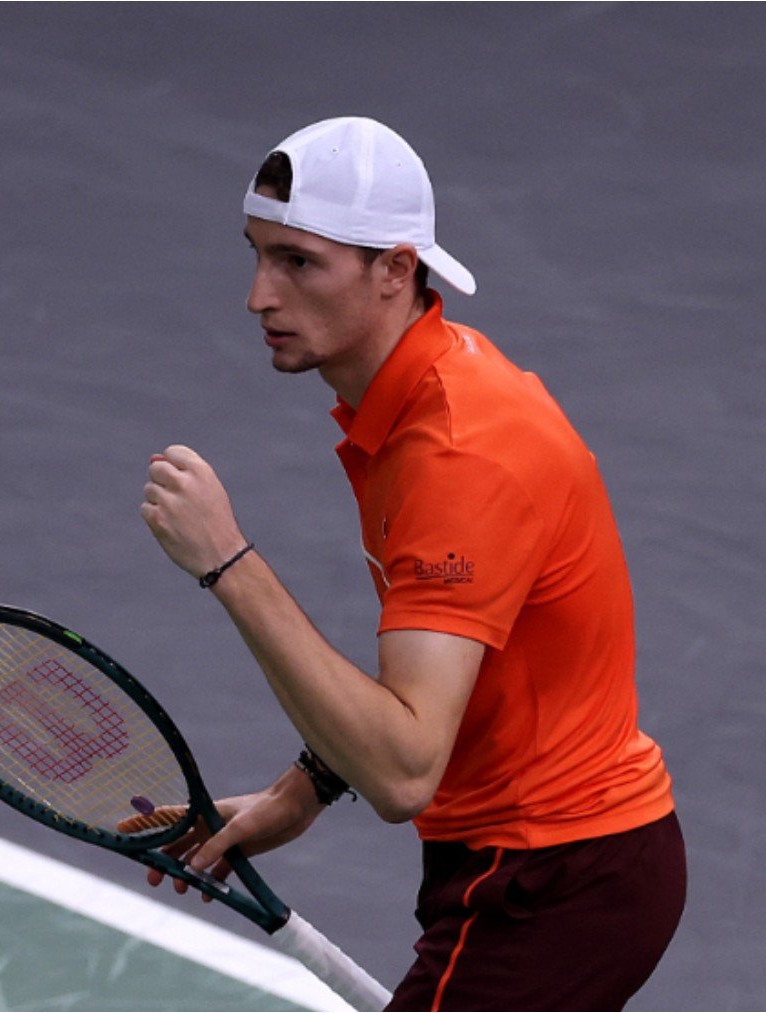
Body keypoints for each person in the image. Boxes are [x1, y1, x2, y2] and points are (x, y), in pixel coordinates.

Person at [126, 116, 684, 1010]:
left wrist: (226, 560)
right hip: (555, 861)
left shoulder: (458, 453)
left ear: (394, 268)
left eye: (299, 262)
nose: (258, 296)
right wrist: (303, 789)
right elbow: (455, 671)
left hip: (552, 880)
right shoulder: (421, 400)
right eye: (258, 255)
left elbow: (402, 768)